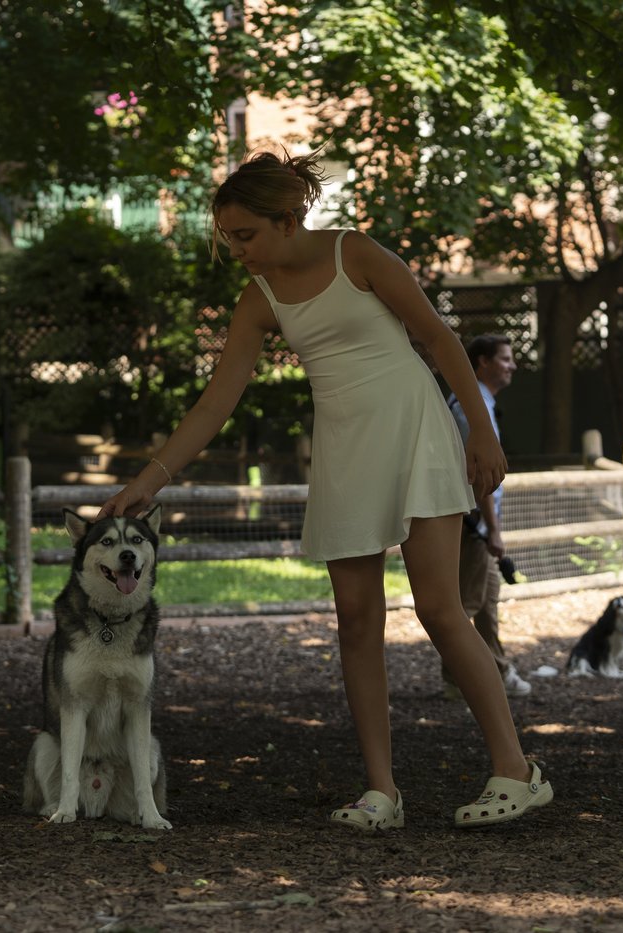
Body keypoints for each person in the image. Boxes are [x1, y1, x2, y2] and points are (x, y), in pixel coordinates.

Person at [97, 150, 552, 831]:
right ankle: (381, 793)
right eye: (230, 239)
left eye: (246, 235)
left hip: (414, 430)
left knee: (440, 607)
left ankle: (516, 771)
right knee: (357, 623)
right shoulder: (260, 298)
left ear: (289, 218)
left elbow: (438, 337)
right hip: (345, 450)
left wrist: (481, 433)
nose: (239, 251)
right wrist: (150, 477)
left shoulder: (357, 254)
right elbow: (216, 402)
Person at [442, 334, 532, 700]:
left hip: (476, 522)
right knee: (467, 603)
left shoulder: (477, 401)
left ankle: (497, 668)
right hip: (473, 524)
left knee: (488, 600)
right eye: (506, 358)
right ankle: (456, 679)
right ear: (482, 362)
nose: (512, 365)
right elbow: (481, 476)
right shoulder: (472, 405)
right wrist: (493, 530)